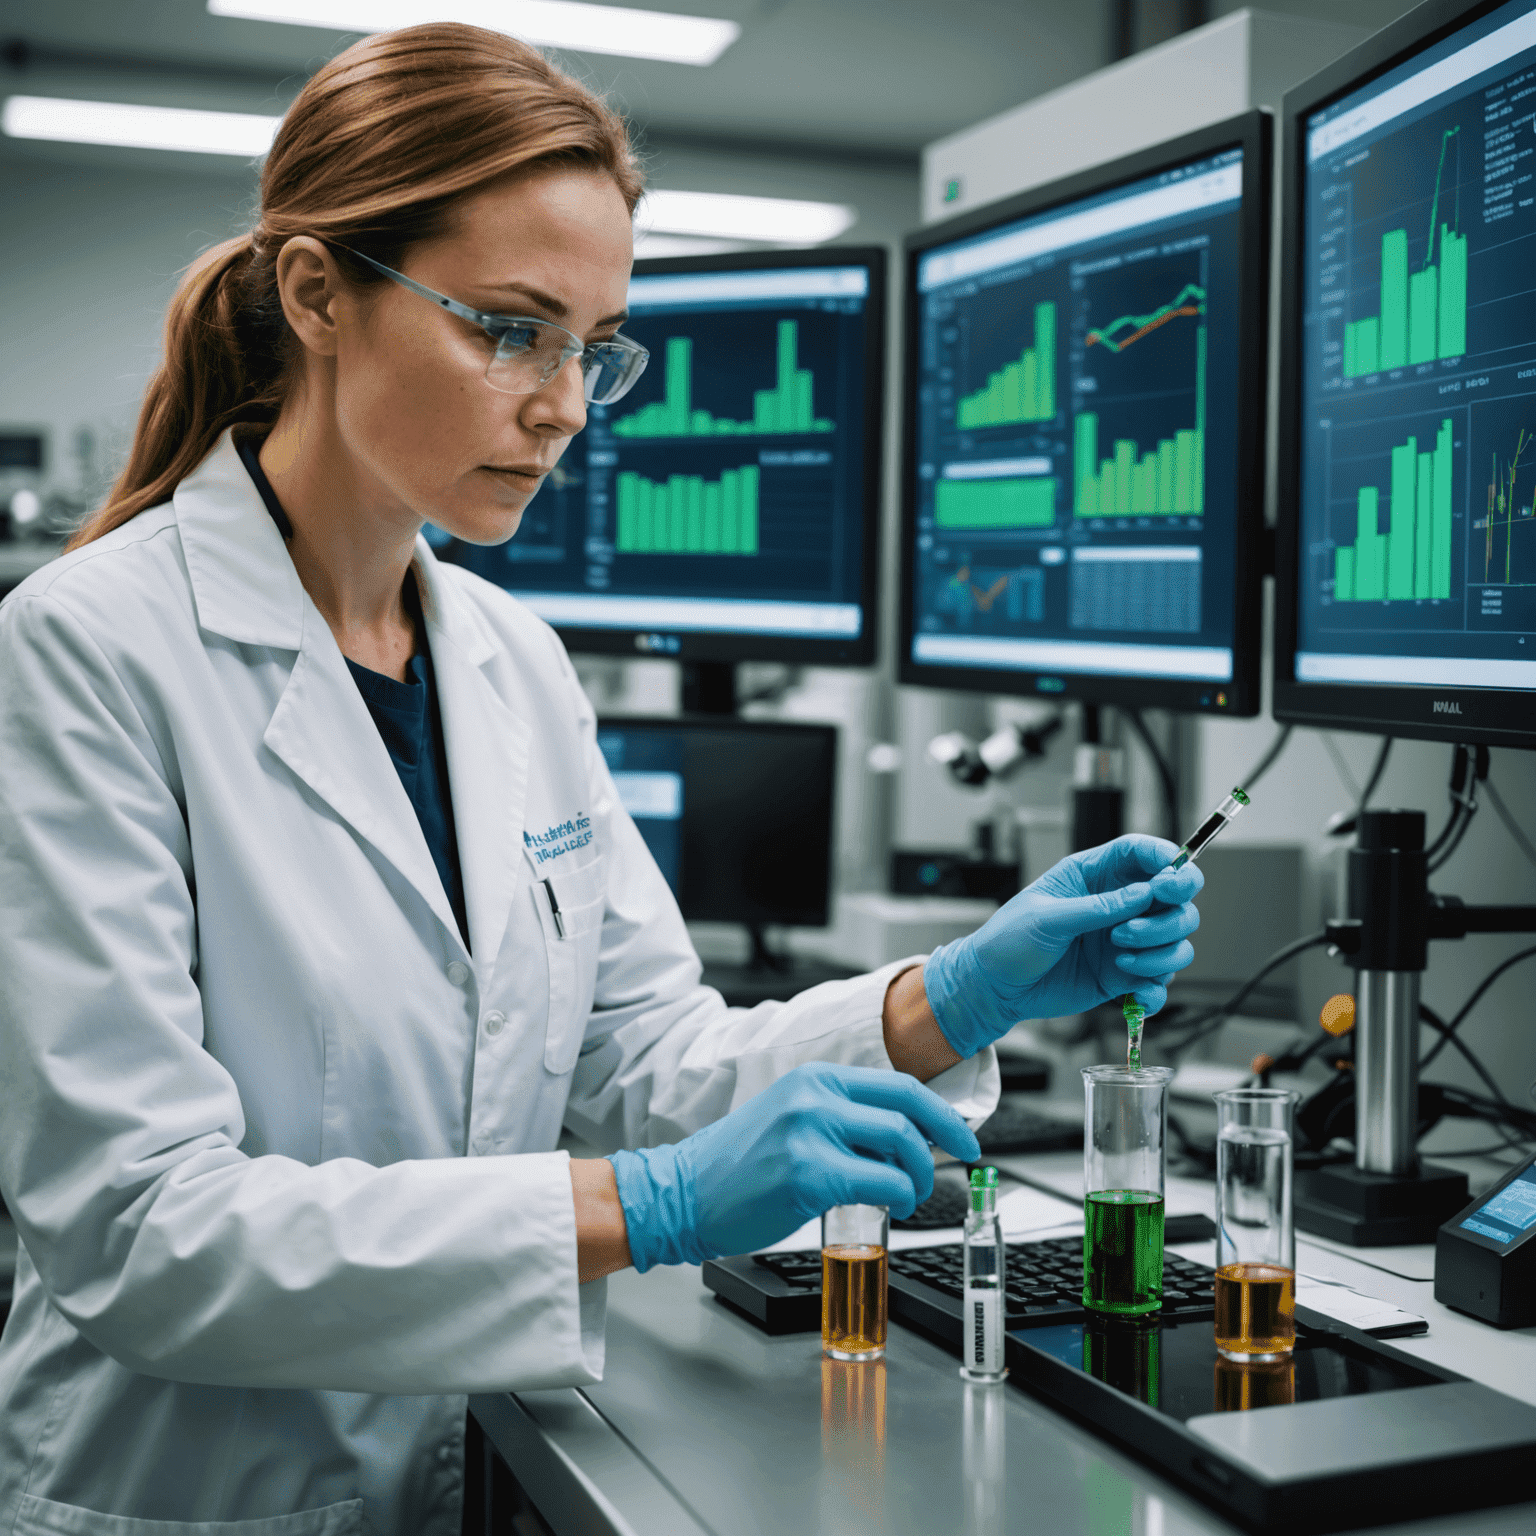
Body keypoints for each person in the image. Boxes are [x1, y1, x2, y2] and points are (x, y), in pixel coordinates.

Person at [0, 24, 1203, 1536]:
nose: (566, 405)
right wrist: (647, 1208)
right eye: (510, 330)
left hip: (463, 1468)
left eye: (592, 345)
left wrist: (946, 998)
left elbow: (639, 1061)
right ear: (317, 293)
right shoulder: (88, 650)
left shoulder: (510, 658)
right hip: (200, 1494)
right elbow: (139, 1232)